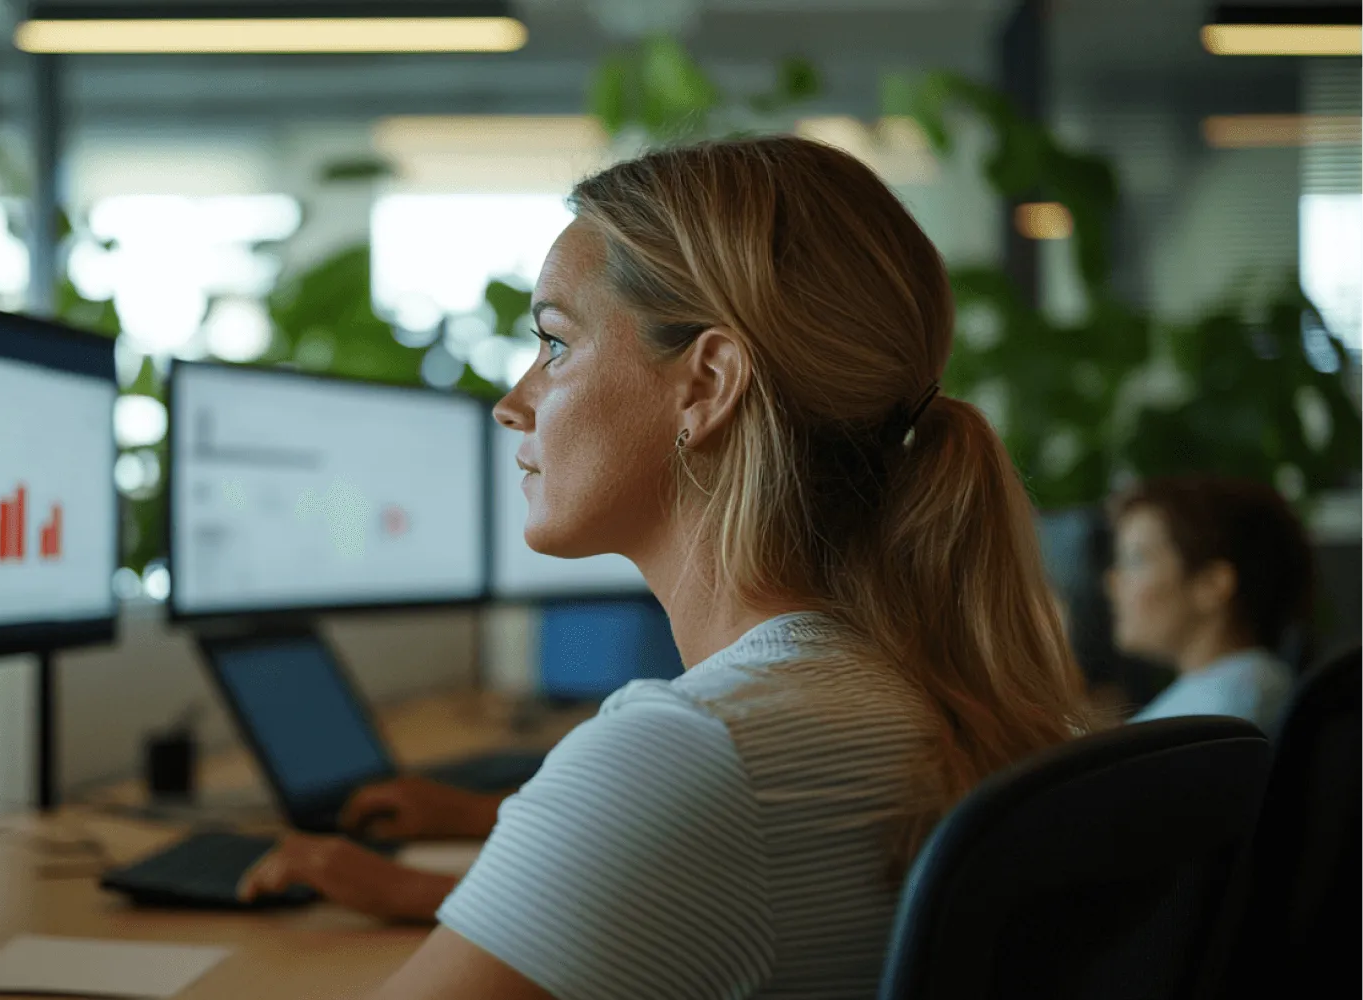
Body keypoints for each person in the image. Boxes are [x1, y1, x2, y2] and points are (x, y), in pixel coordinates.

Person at [239, 136, 1091, 999]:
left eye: (555, 344)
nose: (513, 403)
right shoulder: (931, 699)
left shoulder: (694, 749)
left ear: (707, 383)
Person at [1106, 475, 1314, 729]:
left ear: (1212, 585)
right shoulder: (1244, 690)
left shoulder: (1226, 707)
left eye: (1136, 559)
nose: (1112, 581)